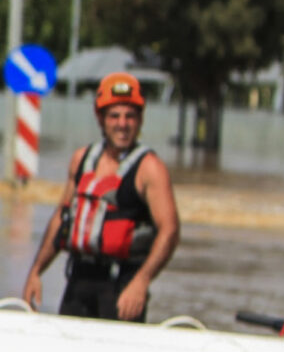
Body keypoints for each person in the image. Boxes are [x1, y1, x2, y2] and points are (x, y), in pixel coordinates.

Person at [22, 72, 180, 321]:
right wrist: (36, 271)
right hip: (78, 281)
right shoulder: (82, 160)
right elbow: (61, 219)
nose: (122, 124)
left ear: (140, 120)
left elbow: (170, 230)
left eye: (130, 116)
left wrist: (142, 281)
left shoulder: (150, 168)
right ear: (101, 118)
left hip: (121, 286)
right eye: (114, 116)